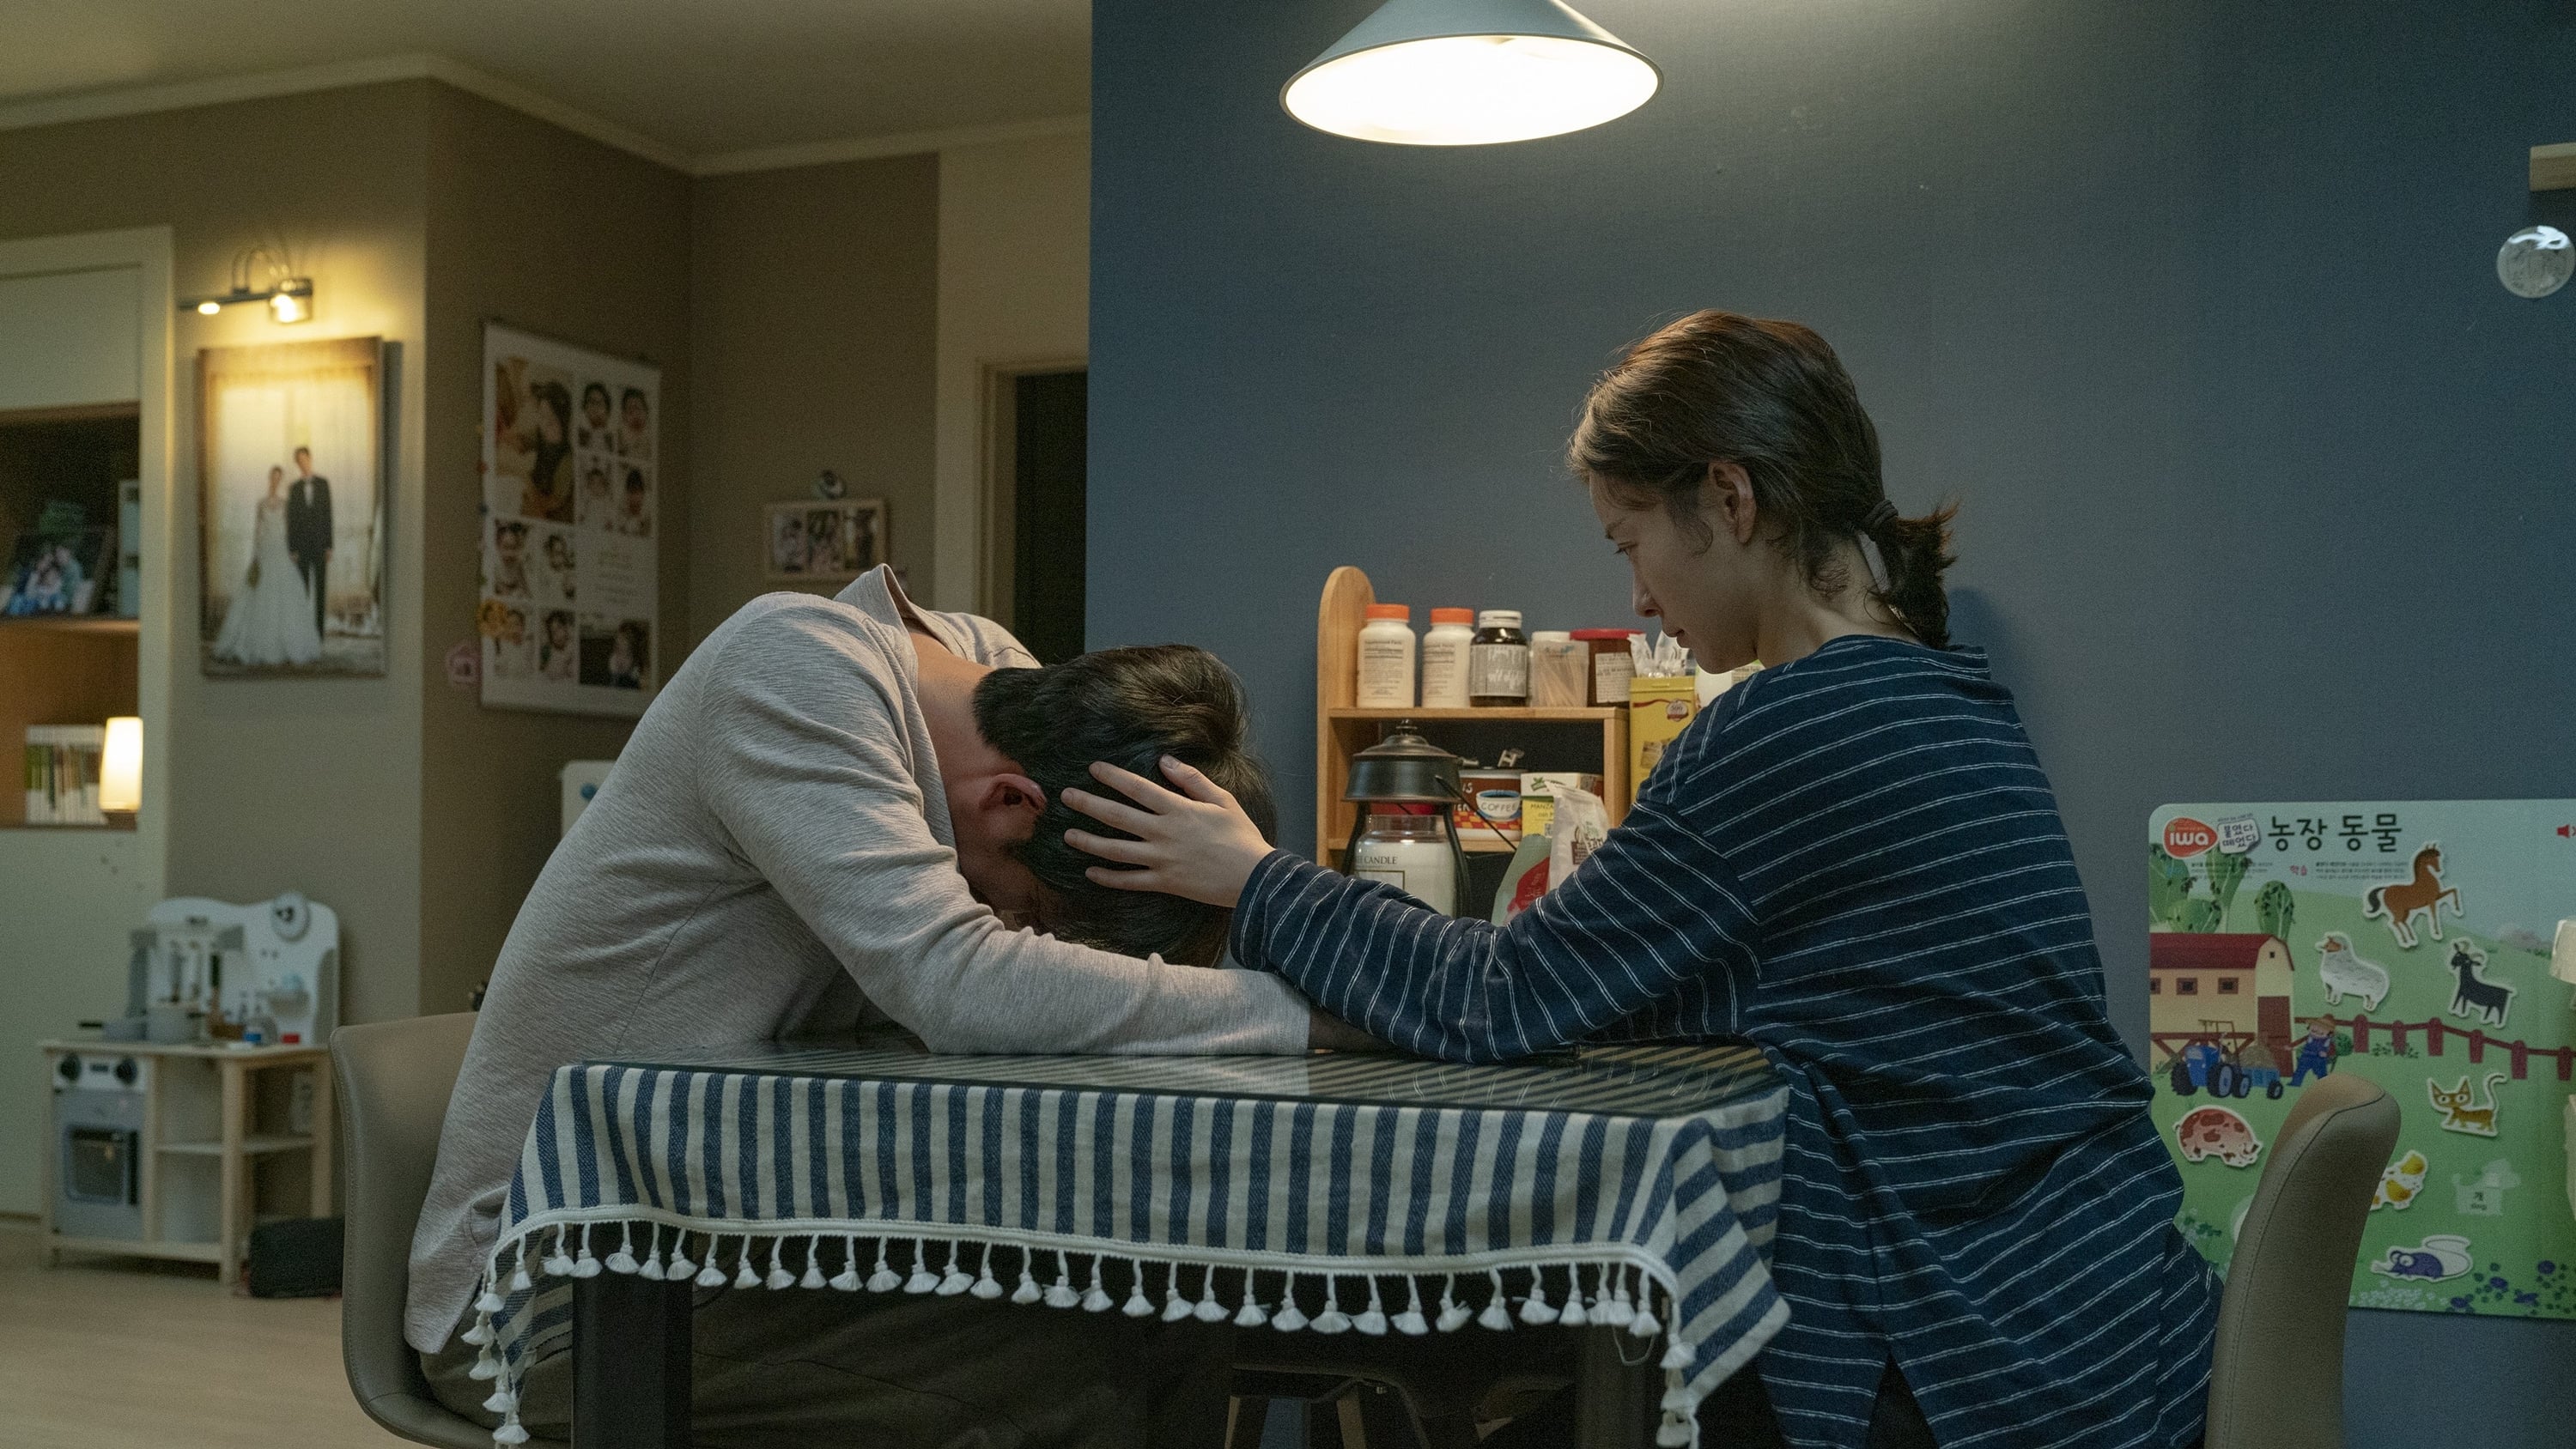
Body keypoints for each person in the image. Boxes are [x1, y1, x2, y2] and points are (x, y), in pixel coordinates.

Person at [1064, 312, 2221, 1449]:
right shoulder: (1946, 694)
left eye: (1630, 543)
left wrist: (1252, 878)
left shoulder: (1788, 726)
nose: (1639, 598)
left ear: (1730, 498)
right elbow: (1709, 992)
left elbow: (1500, 996)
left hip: (1978, 1367)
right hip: (2117, 1323)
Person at [411, 564, 1360, 1448]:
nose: (1020, 937)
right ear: (1010, 803)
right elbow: (958, 981)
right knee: (1073, 1371)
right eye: (1029, 916)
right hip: (557, 1288)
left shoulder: (995, 674)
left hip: (745, 1247)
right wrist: (1305, 1012)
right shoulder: (786, 670)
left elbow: (1034, 986)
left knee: (1166, 1306)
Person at [214, 465, 324, 667]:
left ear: (280, 481)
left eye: (278, 478)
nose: (275, 481)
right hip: (265, 549)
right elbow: (257, 531)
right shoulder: (261, 503)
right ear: (269, 479)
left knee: (285, 592)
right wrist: (255, 554)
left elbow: (290, 530)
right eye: (273, 477)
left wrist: (292, 549)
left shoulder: (285, 504)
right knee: (258, 590)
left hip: (281, 548)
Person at [285, 445, 333, 639]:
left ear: (310, 459)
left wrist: (329, 546)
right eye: (299, 461)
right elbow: (291, 520)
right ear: (297, 464)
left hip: (320, 546)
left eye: (305, 459)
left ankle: (319, 634)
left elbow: (328, 516)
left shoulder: (323, 484)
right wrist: (292, 549)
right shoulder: (294, 488)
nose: (302, 463)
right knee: (302, 590)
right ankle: (304, 632)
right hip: (302, 548)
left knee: (320, 590)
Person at [519, 380, 574, 522]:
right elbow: (520, 442)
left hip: (554, 517)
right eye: (542, 416)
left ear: (563, 421)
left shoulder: (567, 460)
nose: (545, 424)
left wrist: (527, 484)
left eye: (552, 419)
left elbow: (551, 503)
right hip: (535, 493)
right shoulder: (541, 433)